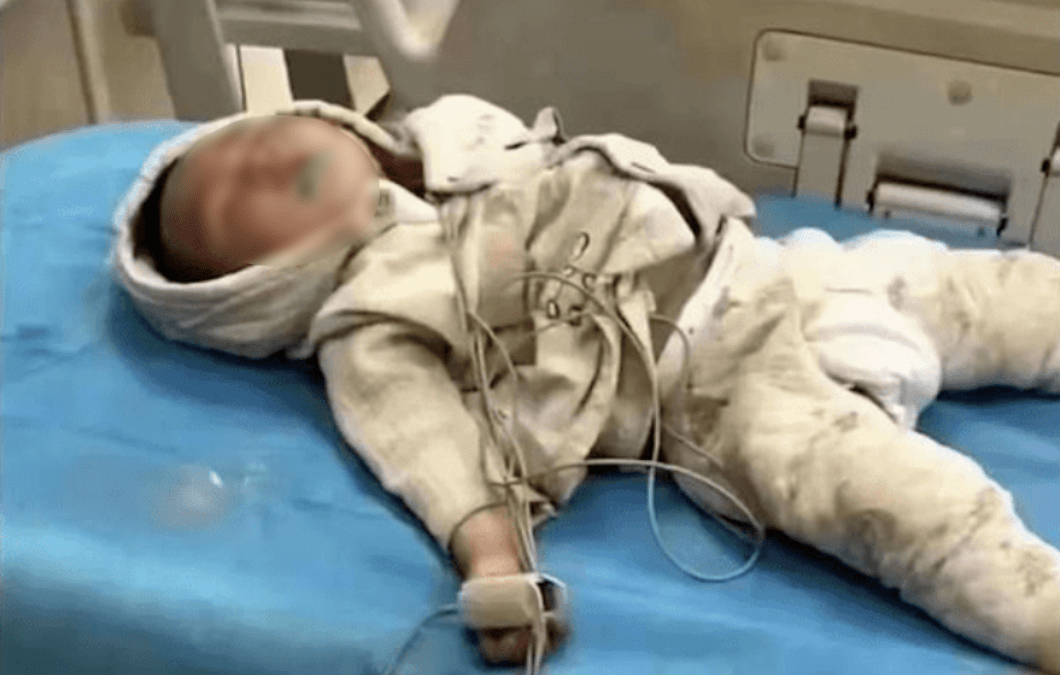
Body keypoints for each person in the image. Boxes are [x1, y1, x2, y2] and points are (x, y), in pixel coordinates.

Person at [111, 95, 1060, 673]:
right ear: (259, 292)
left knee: (999, 293)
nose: (250, 156)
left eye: (244, 138)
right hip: (708, 377)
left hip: (781, 267)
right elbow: (428, 447)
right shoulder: (369, 321)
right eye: (229, 196)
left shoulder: (454, 141)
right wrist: (494, 559)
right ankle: (1037, 607)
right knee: (880, 496)